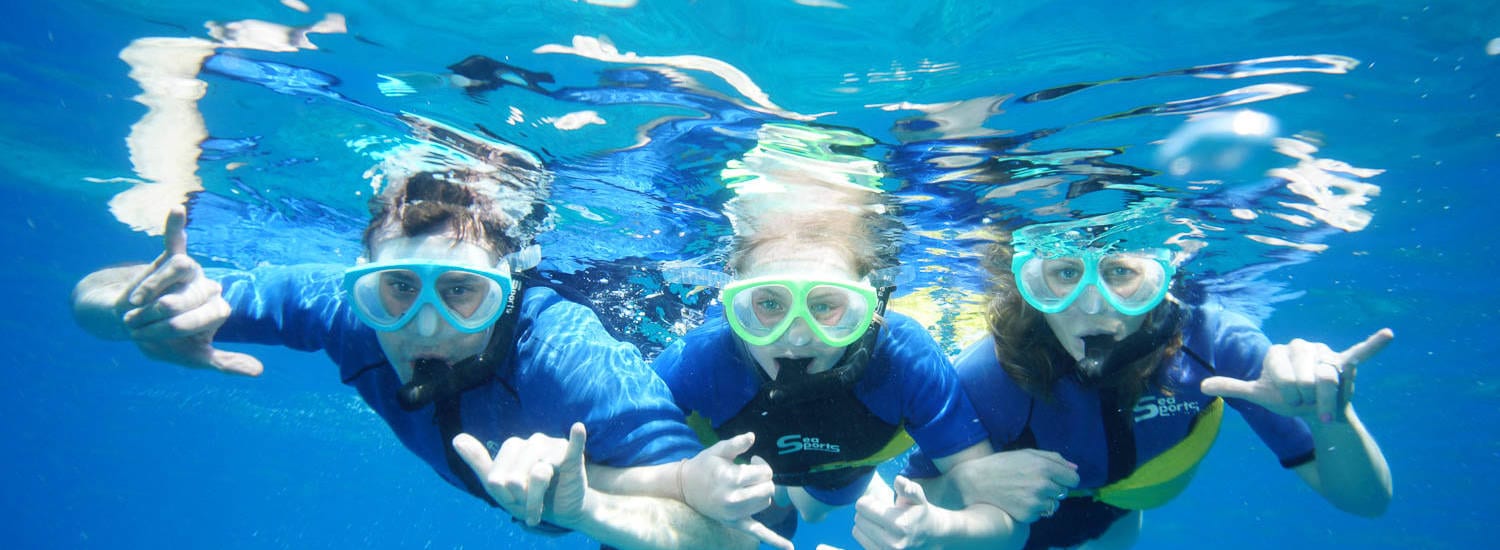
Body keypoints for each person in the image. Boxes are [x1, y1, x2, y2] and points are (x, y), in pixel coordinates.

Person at [70, 164, 778, 550]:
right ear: (363, 282)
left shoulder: (570, 355)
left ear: (508, 295)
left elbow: (728, 543)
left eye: (464, 292)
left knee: (775, 509)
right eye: (397, 289)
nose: (424, 325)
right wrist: (138, 309)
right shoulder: (341, 311)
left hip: (636, 467)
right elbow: (90, 297)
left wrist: (589, 509)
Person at [892, 223, 1393, 549]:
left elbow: (1367, 503)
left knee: (1118, 516)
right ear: (1032, 282)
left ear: (1162, 278)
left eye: (1120, 273)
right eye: (1065, 273)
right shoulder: (990, 373)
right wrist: (962, 482)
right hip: (1020, 519)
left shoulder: (1214, 342)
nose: (1092, 305)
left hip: (1130, 503)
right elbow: (920, 499)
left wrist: (1329, 416)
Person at [654, 181, 1026, 547]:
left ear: (868, 307)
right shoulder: (698, 361)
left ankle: (784, 495)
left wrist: (937, 527)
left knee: (815, 509)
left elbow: (1008, 523)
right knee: (758, 512)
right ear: (736, 305)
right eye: (769, 305)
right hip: (781, 462)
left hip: (843, 471)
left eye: (825, 306)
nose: (797, 338)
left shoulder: (904, 358)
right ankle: (780, 495)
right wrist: (681, 482)